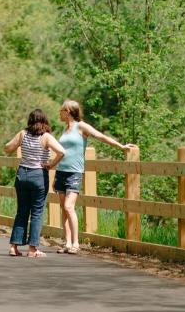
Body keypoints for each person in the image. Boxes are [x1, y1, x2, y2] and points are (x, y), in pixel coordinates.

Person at [54, 99, 137, 254]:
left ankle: (76, 243)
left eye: (62, 110)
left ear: (69, 112)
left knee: (69, 206)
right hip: (61, 172)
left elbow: (100, 136)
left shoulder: (81, 126)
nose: (60, 113)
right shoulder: (65, 129)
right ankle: (68, 242)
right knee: (63, 209)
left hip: (74, 172)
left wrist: (120, 146)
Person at [4, 108, 65, 258]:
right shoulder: (46, 137)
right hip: (38, 174)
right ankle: (32, 249)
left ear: (30, 121)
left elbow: (7, 148)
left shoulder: (22, 134)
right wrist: (51, 164)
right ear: (45, 121)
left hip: (22, 174)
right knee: (37, 212)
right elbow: (62, 152)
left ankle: (14, 247)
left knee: (22, 211)